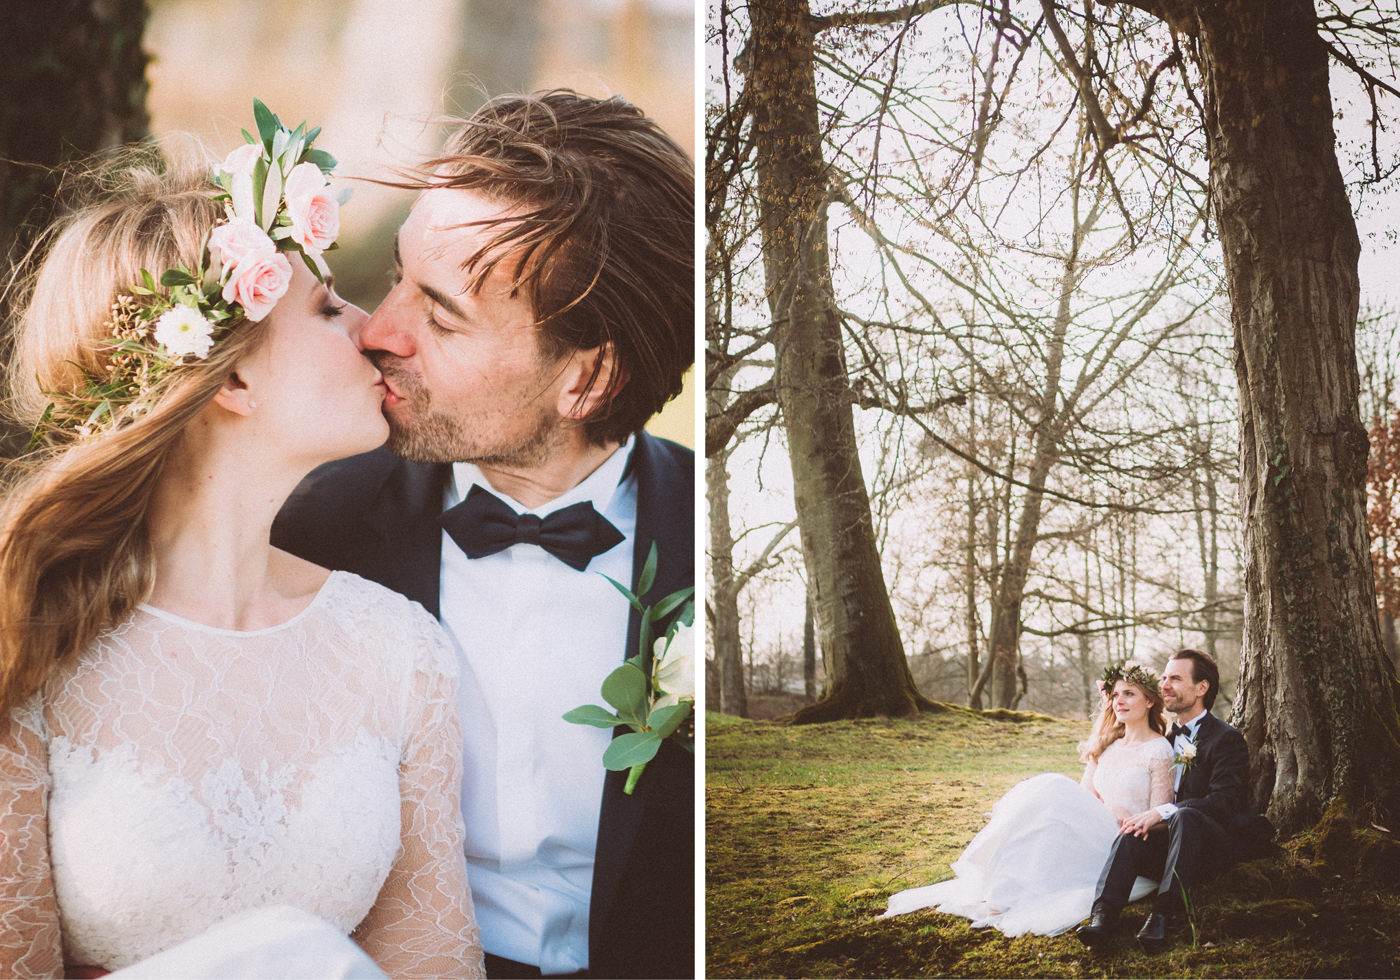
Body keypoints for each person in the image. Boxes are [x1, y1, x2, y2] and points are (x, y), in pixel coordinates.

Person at [0, 106, 483, 979]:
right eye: (330, 306)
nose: (372, 328)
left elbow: (432, 963)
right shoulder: (30, 640)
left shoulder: (401, 653)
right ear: (231, 376)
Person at [272, 90, 695, 980]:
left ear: (588, 378)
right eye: (398, 277)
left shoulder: (710, 545)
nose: (379, 330)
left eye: (441, 313)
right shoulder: (309, 530)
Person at [881, 660, 1174, 936]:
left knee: (1054, 787)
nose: (1118, 701)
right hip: (1092, 824)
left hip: (1123, 837)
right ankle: (1003, 891)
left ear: (1149, 700)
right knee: (1051, 794)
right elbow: (1083, 795)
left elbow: (1162, 814)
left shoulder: (1159, 749)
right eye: (1115, 694)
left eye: (1129, 694)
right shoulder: (1107, 744)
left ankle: (1008, 894)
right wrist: (1108, 806)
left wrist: (1126, 816)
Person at [1076, 647, 1271, 952]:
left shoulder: (1225, 739)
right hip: (1168, 847)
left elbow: (1224, 802)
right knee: (1132, 832)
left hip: (1211, 846)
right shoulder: (1163, 740)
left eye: (1176, 678)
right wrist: (1144, 820)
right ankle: (1103, 916)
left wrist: (1162, 812)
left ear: (1201, 688)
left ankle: (1162, 915)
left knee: (1184, 816)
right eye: (1164, 677)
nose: (1165, 684)